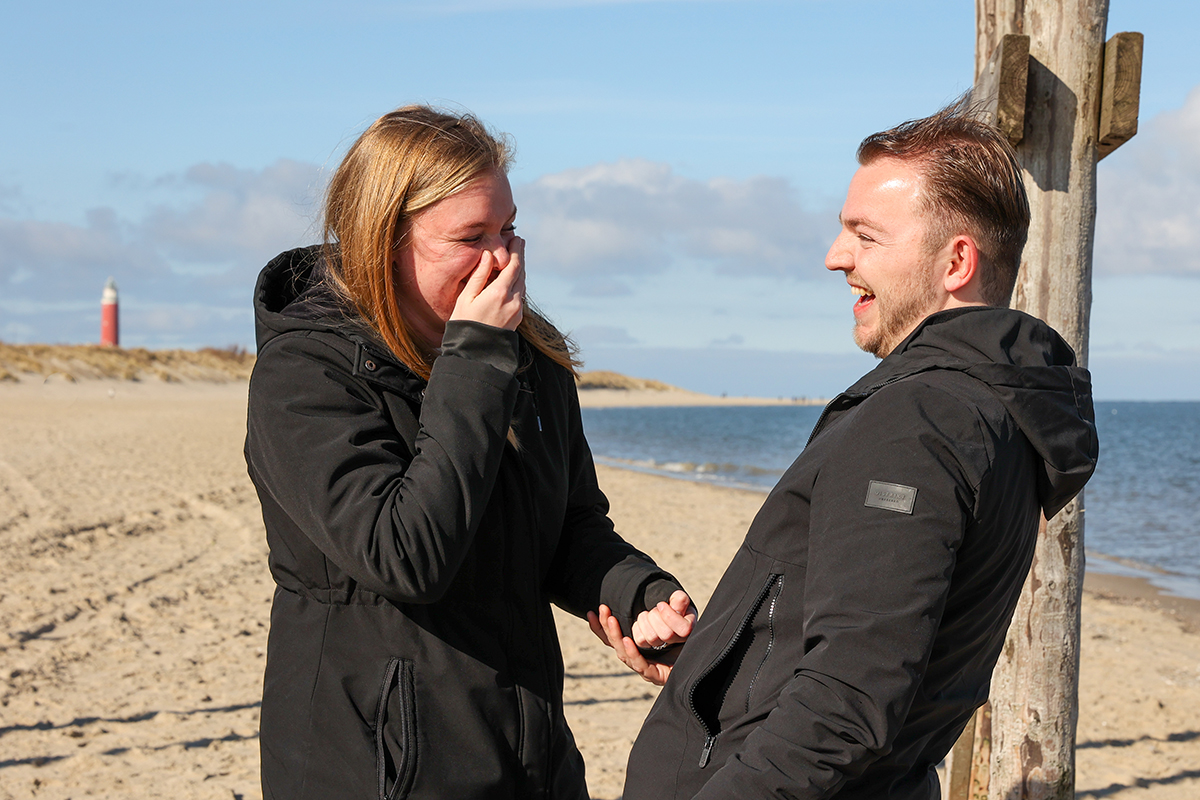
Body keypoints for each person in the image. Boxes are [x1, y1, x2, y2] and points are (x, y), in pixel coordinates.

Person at [616, 100, 1099, 799]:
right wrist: (727, 651)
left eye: (865, 236)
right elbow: (887, 635)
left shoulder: (919, 420)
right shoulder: (995, 409)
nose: (836, 257)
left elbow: (847, 703)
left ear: (956, 260)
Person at [244, 105, 694, 800]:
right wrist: (475, 358)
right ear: (384, 240)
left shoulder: (527, 353)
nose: (502, 257)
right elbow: (404, 555)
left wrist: (635, 595)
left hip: (525, 756)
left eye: (509, 227)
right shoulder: (305, 373)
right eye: (470, 236)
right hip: (373, 768)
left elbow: (569, 527)